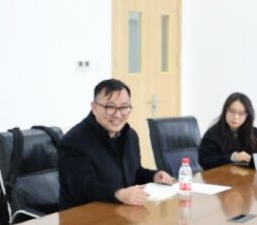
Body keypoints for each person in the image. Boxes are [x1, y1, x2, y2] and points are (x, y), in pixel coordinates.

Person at [58, 79, 174, 209]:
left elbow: (134, 172)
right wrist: (118, 194)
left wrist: (154, 176)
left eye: (124, 107)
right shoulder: (73, 141)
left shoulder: (130, 135)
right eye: (110, 107)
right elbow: (82, 186)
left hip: (120, 211)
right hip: (82, 216)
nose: (118, 114)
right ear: (94, 107)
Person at [198, 92, 257, 169]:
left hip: (248, 175)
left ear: (247, 116)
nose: (236, 117)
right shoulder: (212, 135)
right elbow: (205, 161)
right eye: (232, 111)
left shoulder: (254, 133)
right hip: (221, 175)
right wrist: (233, 157)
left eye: (241, 113)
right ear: (225, 111)